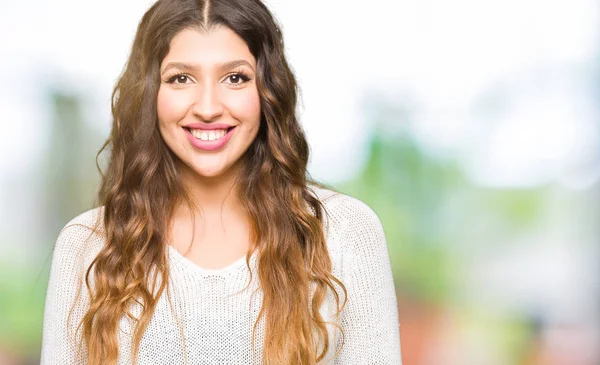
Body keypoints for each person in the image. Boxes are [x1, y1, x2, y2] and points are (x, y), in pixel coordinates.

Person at [40, 0, 402, 364]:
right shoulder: (87, 246)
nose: (208, 108)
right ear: (150, 93)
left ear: (267, 91)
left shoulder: (344, 234)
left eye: (235, 78)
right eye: (181, 78)